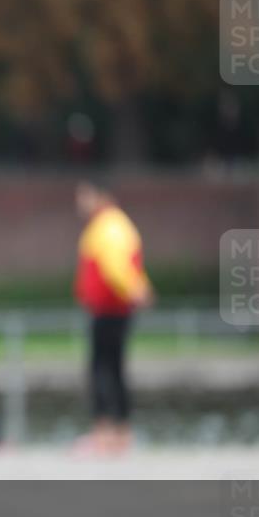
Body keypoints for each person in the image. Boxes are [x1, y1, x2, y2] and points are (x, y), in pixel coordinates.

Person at [73, 181, 153, 455]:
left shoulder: (107, 226)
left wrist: (136, 289)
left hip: (108, 309)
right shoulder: (116, 225)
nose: (80, 203)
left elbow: (115, 266)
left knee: (102, 369)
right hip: (115, 309)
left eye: (84, 196)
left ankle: (105, 434)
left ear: (101, 196)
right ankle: (120, 433)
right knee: (115, 369)